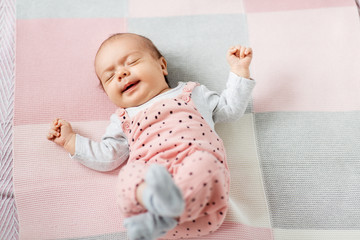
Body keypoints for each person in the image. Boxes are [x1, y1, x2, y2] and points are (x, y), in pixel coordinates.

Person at [47, 33, 255, 240]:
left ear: (162, 66)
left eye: (132, 62)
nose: (121, 74)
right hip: (152, 196)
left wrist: (239, 72)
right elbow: (108, 156)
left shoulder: (191, 93)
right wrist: (71, 141)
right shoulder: (123, 118)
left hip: (201, 199)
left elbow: (229, 109)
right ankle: (157, 201)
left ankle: (172, 204)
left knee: (204, 162)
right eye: (109, 77)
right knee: (129, 176)